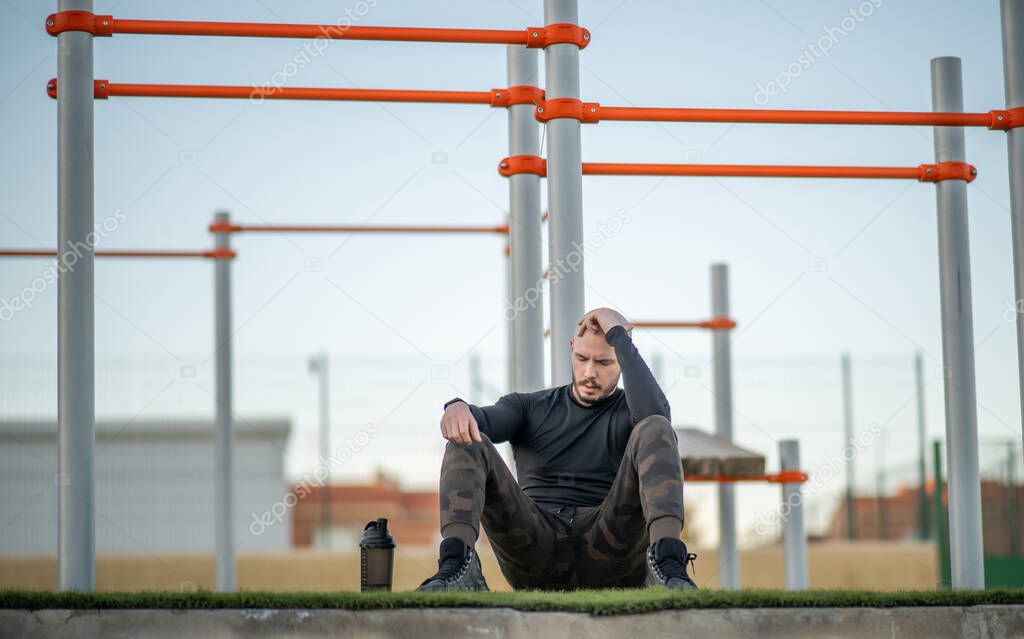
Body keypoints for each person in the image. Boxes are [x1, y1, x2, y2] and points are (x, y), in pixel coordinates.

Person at [417, 308, 697, 591]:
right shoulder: (528, 407)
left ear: (622, 362)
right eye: (582, 358)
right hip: (535, 548)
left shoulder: (633, 412)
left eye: (603, 362)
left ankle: (668, 568)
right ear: (571, 348)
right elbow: (482, 420)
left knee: (655, 428)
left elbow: (656, 417)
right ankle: (457, 568)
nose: (589, 372)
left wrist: (619, 337)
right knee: (466, 439)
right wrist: (457, 406)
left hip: (613, 551)